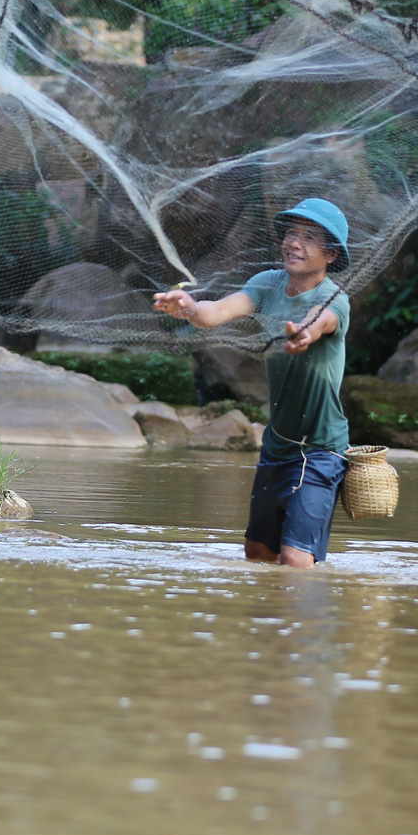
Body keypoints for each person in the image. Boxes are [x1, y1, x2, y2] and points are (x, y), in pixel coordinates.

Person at [152, 198, 352, 568]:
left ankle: (306, 624)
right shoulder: (267, 284)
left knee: (294, 559)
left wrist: (303, 335)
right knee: (257, 554)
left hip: (321, 448)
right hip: (277, 446)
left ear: (331, 255)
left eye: (308, 237)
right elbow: (217, 312)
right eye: (291, 233)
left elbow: (319, 320)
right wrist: (190, 307)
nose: (294, 242)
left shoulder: (334, 298)